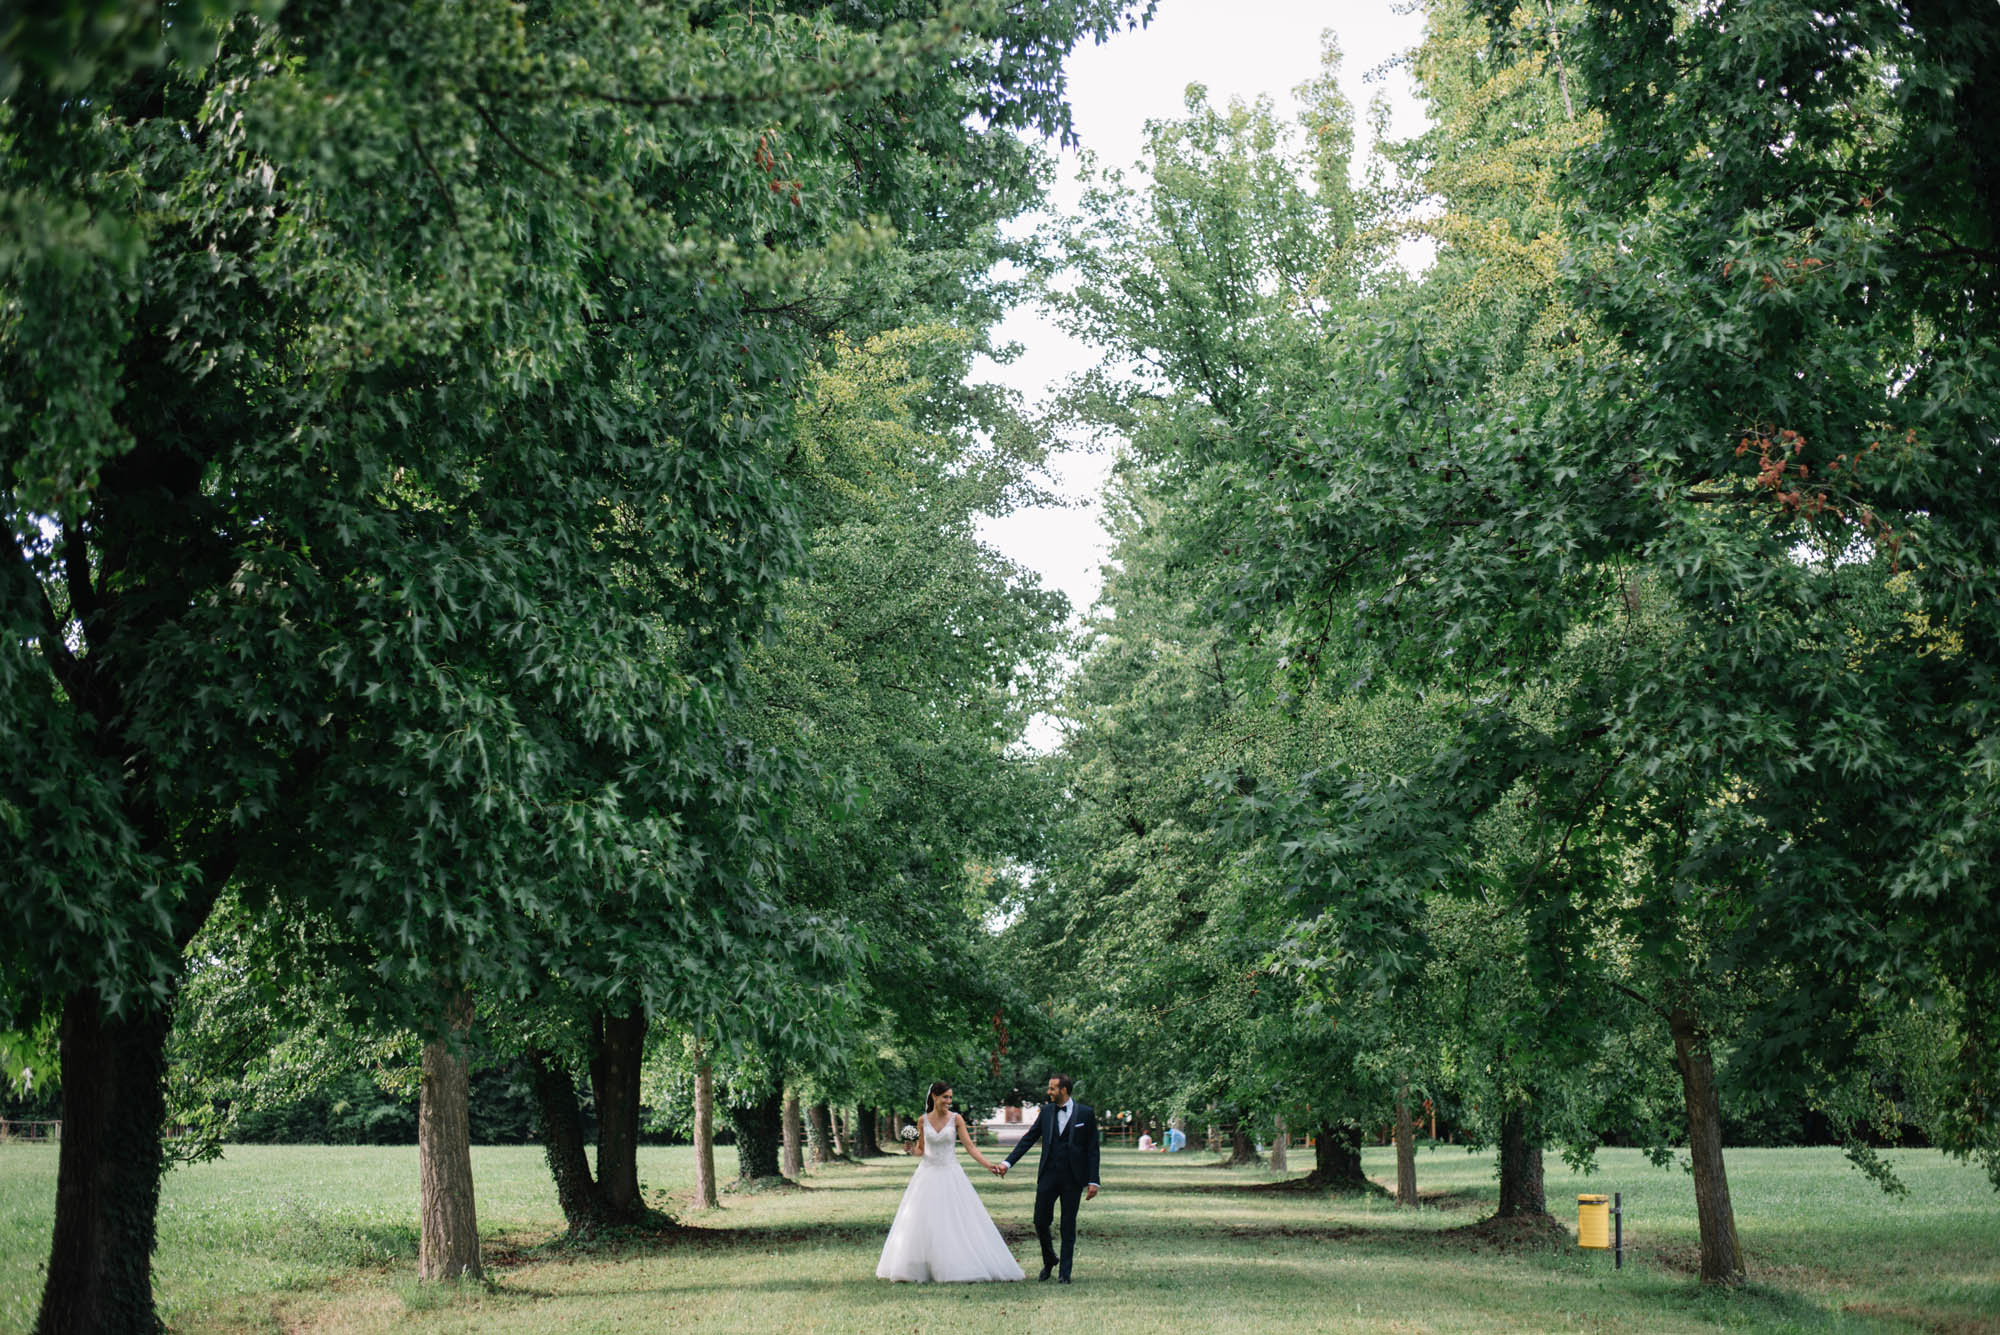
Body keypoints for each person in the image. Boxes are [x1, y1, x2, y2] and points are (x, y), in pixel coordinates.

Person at [876, 1082, 1024, 1283]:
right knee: (923, 1221)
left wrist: (989, 1166)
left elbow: (970, 1147)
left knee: (954, 1220)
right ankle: (921, 1266)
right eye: (945, 1097)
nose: (948, 1101)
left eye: (950, 1098)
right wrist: (910, 1148)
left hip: (950, 1173)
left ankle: (957, 1264)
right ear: (934, 1097)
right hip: (927, 1174)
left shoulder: (956, 1119)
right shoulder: (922, 1121)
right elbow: (921, 1151)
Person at [994, 1073, 1099, 1284]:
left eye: (1052, 1088)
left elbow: (1092, 1149)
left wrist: (1093, 1180)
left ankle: (1065, 1274)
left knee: (1068, 1224)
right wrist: (1007, 1163)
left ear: (1064, 1090)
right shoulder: (1047, 1111)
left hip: (1073, 1178)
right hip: (1048, 1176)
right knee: (1040, 1221)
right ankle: (1049, 1258)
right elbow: (1029, 1138)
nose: (1048, 1092)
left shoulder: (1086, 1114)